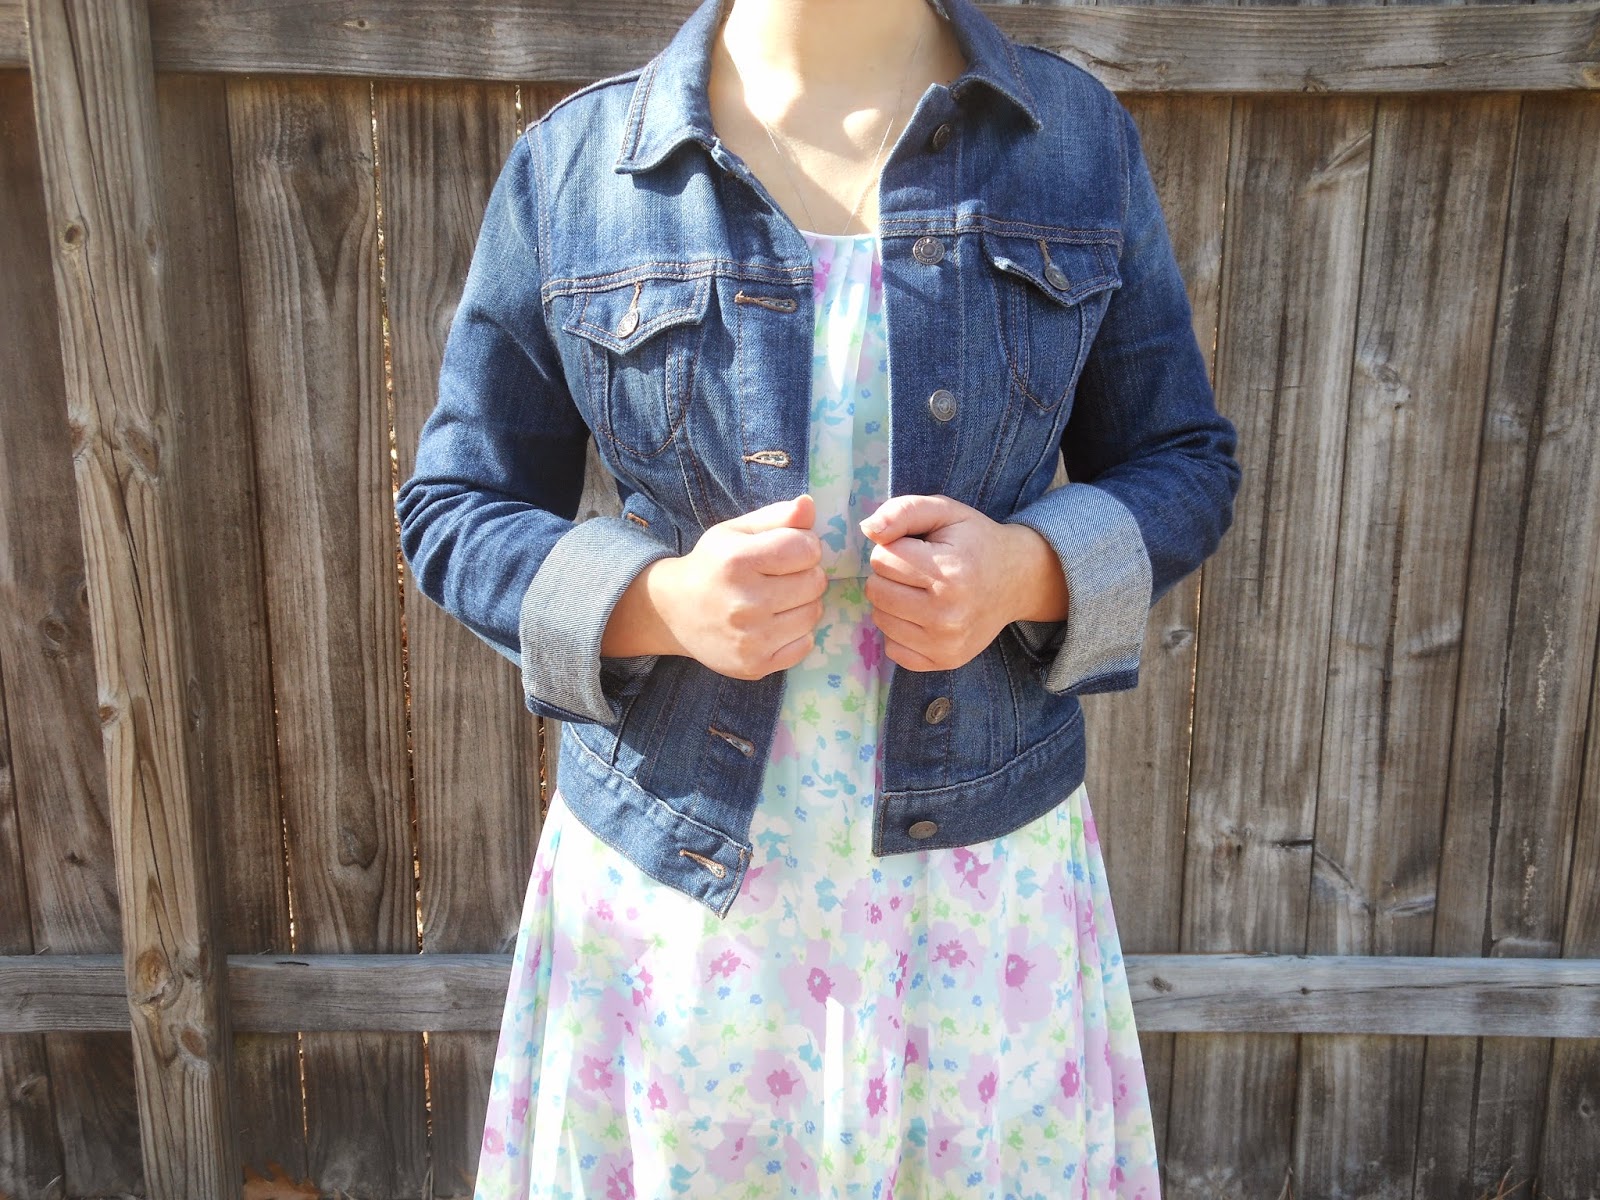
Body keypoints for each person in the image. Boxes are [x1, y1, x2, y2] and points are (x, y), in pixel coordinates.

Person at [395, 0, 1240, 1194]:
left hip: (976, 906)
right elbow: (455, 506)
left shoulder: (1070, 144)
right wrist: (662, 601)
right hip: (681, 905)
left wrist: (1024, 570)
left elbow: (1181, 462)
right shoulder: (579, 170)